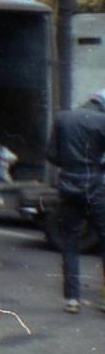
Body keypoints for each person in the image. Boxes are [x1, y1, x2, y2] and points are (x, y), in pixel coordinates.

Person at [46, 90, 105, 313]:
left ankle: (71, 299)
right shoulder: (102, 121)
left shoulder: (63, 118)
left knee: (70, 241)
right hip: (95, 187)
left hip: (68, 186)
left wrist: (70, 164)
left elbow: (51, 154)